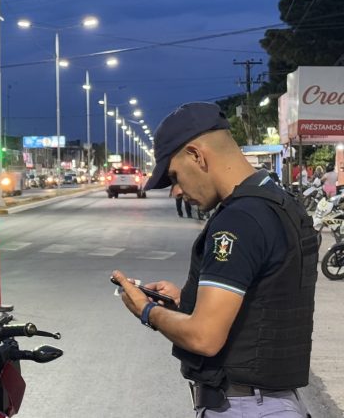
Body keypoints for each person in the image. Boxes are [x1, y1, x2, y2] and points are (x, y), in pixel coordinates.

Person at [113, 102, 317, 417]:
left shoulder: (239, 220)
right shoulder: (280, 202)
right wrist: (187, 301)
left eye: (175, 177)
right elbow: (264, 299)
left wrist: (147, 310)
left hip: (245, 406)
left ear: (197, 155)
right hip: (277, 402)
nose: (176, 192)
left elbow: (204, 337)